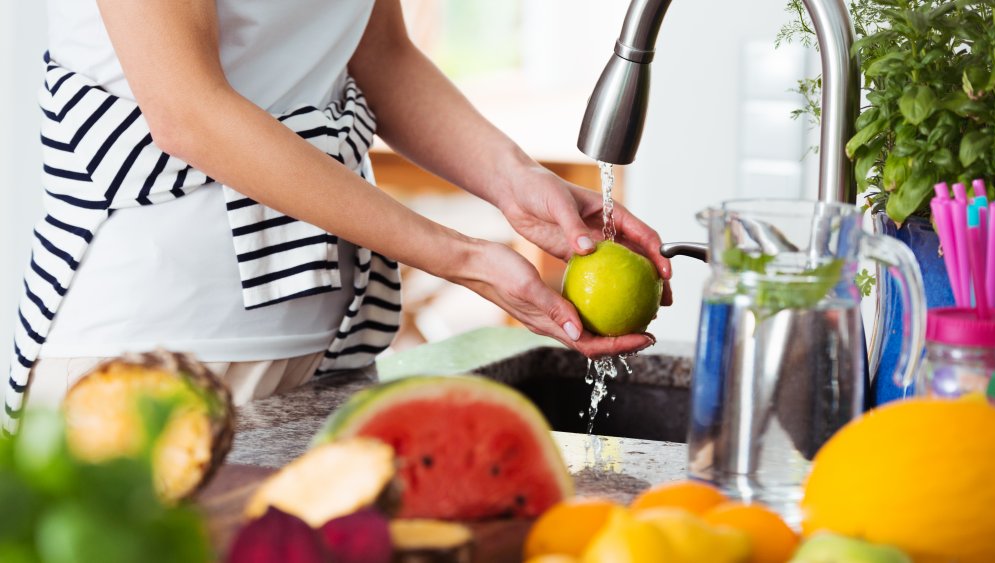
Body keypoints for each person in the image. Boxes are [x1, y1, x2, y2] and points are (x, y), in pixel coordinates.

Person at [5, 0, 672, 432]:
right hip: (153, 355)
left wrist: (516, 180)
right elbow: (188, 112)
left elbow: (381, 53)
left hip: (327, 352)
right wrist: (460, 257)